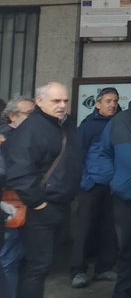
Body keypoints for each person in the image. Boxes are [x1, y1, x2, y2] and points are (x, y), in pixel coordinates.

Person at [5, 82, 83, 298]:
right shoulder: (31, 129)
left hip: (58, 204)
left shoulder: (63, 125)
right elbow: (20, 173)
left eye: (65, 101)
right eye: (56, 101)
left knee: (39, 266)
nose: (62, 105)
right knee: (37, 266)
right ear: (39, 101)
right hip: (39, 208)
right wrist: (40, 204)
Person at [89, 77, 131, 298]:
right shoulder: (118, 121)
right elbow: (101, 152)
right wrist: (116, 179)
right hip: (126, 196)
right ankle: (123, 293)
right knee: (127, 250)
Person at [70, 87, 120, 288]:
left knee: (109, 228)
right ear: (98, 104)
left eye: (115, 100)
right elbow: (77, 155)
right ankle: (78, 270)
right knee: (84, 229)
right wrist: (84, 181)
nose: (112, 104)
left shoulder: (120, 124)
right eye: (108, 100)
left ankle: (104, 268)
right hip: (90, 187)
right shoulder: (88, 126)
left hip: (112, 186)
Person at [0, 97, 34, 296]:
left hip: (22, 201)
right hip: (10, 202)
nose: (33, 119)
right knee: (8, 259)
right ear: (12, 116)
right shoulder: (6, 138)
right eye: (29, 114)